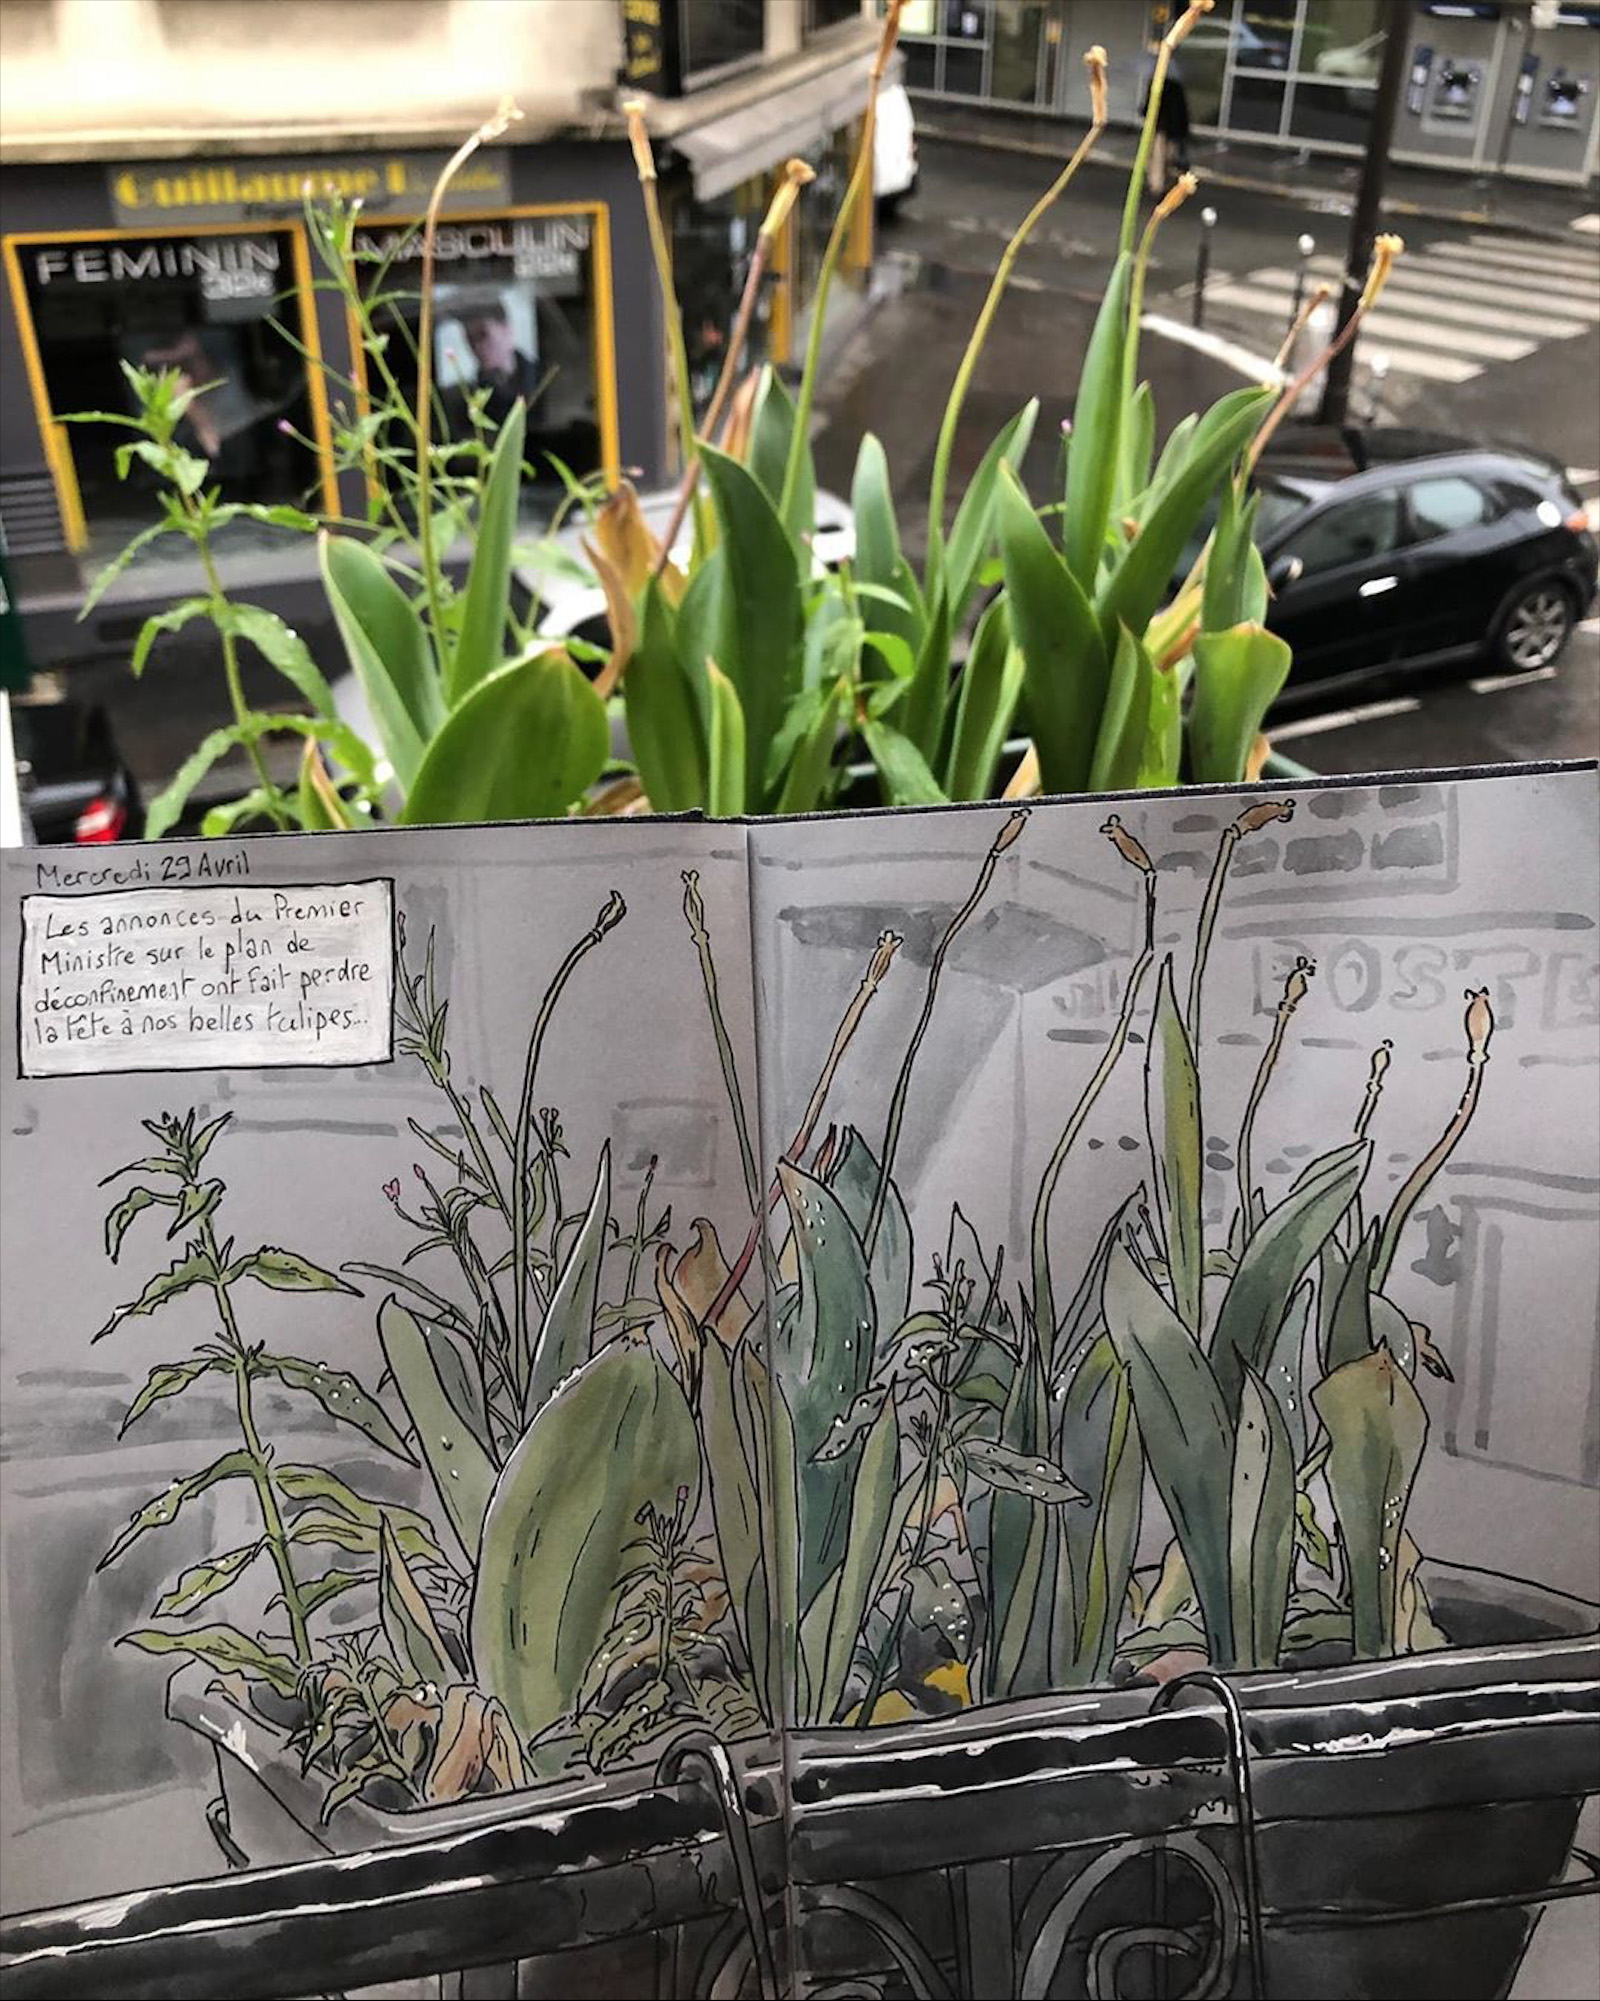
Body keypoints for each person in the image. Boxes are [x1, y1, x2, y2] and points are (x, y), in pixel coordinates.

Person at [1140, 54, 1192, 196]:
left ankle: (1156, 183)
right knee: (1166, 155)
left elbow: (1149, 105)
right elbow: (1181, 110)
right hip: (1171, 127)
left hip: (1160, 125)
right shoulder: (1176, 87)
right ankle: (1161, 181)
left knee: (1157, 155)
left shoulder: (1157, 84)